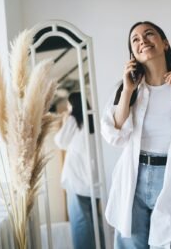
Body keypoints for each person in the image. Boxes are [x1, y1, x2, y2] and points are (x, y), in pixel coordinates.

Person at [101, 21, 171, 249]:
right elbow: (115, 135)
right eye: (135, 39)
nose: (142, 40)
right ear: (133, 52)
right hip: (134, 178)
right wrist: (127, 91)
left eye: (149, 34)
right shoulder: (127, 88)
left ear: (165, 43)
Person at [54, 92, 104, 249]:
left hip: (77, 181)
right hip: (93, 182)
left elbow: (60, 141)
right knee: (95, 222)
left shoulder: (74, 120)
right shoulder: (94, 121)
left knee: (80, 223)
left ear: (73, 106)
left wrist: (66, 119)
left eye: (69, 105)